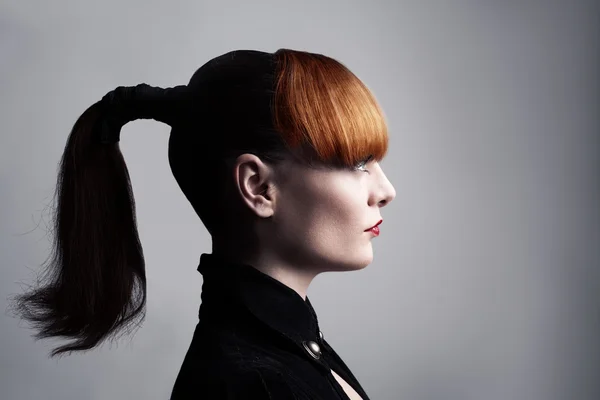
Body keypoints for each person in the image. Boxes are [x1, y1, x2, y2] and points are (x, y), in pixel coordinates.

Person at [10, 48, 396, 399]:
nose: (386, 191)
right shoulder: (256, 385)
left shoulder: (291, 350)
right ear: (258, 187)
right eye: (357, 164)